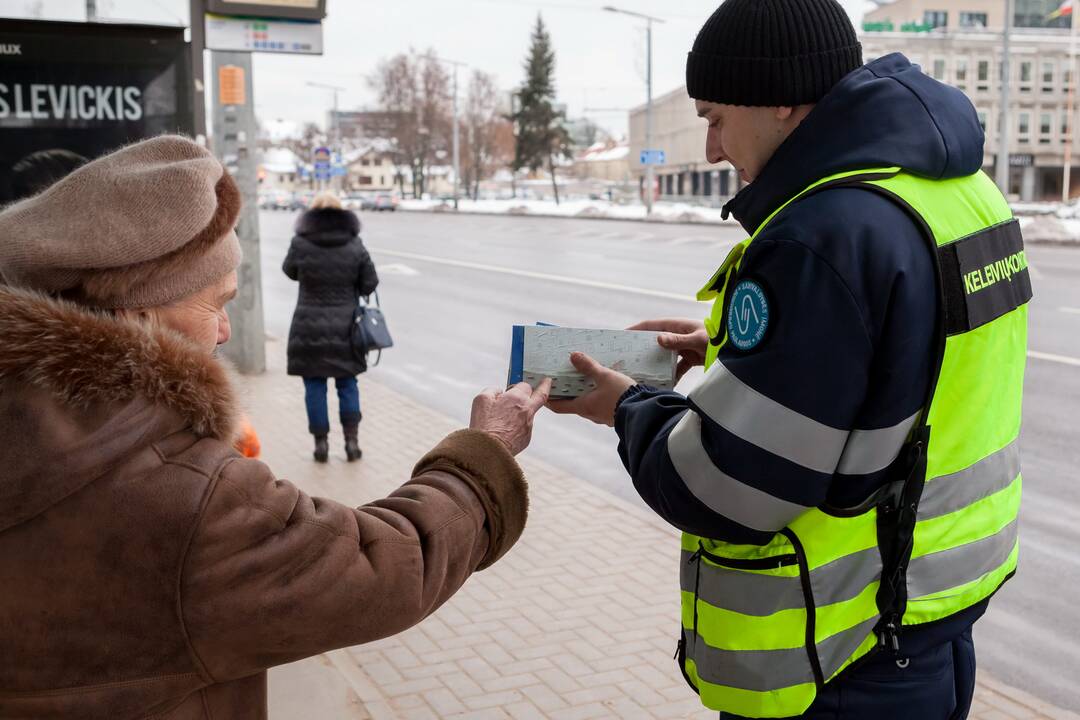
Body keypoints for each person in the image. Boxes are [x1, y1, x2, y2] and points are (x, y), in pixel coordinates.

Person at [551, 1, 1031, 718]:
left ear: (779, 99)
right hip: (934, 617)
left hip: (837, 652)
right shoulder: (961, 192)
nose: (712, 148)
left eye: (715, 117)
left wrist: (620, 405)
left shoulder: (820, 234)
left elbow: (723, 489)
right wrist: (724, 353)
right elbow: (901, 365)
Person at [0, 135, 551, 719]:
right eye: (216, 304)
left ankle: (323, 437)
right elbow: (382, 564)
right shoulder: (181, 494)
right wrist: (488, 449)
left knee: (319, 392)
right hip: (345, 341)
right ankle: (348, 435)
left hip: (311, 336)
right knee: (345, 392)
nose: (223, 333)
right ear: (139, 316)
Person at [283, 191, 378, 463]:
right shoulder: (354, 244)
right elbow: (370, 283)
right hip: (347, 328)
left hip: (308, 326)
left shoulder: (300, 243)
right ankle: (351, 443)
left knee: (314, 387)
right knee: (347, 384)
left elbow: (289, 271)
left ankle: (321, 445)